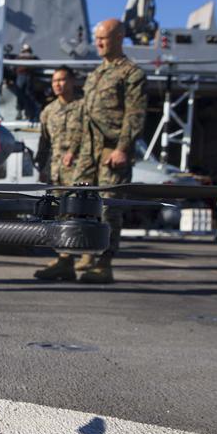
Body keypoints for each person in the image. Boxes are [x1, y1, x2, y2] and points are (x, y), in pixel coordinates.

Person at [72, 18, 146, 283]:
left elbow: (135, 115)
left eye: (104, 38)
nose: (98, 43)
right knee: (80, 203)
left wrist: (123, 148)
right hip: (88, 152)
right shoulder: (96, 74)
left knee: (108, 208)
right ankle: (85, 255)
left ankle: (105, 262)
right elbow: (85, 115)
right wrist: (74, 148)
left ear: (119, 38)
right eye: (97, 38)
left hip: (112, 151)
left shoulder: (131, 73)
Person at [33, 66, 85, 281]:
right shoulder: (48, 111)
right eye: (55, 81)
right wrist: (42, 169)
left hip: (80, 172)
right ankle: (65, 259)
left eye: (62, 80)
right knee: (60, 215)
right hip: (57, 173)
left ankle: (77, 257)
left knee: (79, 214)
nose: (58, 84)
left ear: (72, 82)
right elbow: (44, 144)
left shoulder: (83, 107)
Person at [14, 43, 39, 121]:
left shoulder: (19, 58)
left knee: (24, 94)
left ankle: (25, 113)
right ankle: (25, 112)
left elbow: (13, 67)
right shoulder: (33, 57)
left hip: (25, 77)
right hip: (25, 76)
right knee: (24, 94)